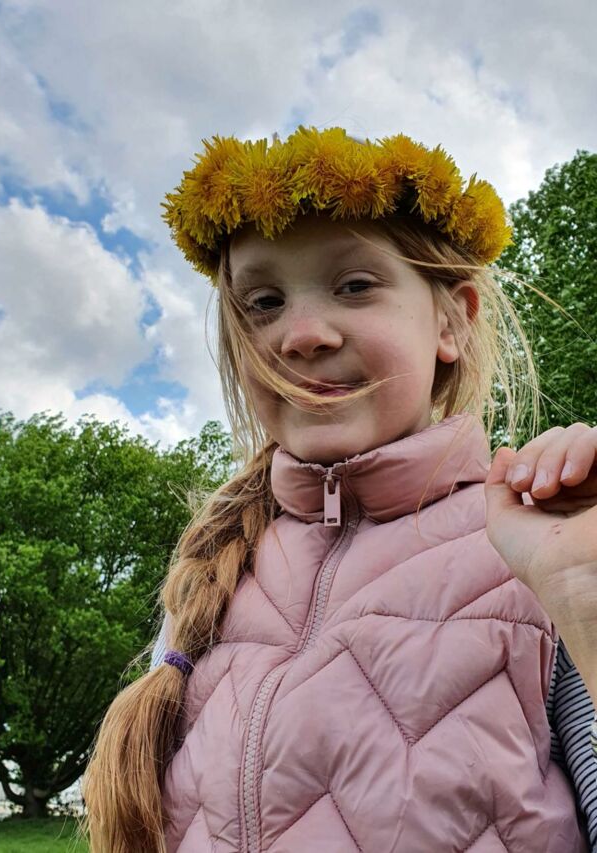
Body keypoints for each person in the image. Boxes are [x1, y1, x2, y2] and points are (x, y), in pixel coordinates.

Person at [82, 127, 597, 852]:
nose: (301, 335)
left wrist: (582, 595)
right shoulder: (214, 574)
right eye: (263, 302)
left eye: (355, 285)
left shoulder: (536, 552)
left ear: (452, 320)